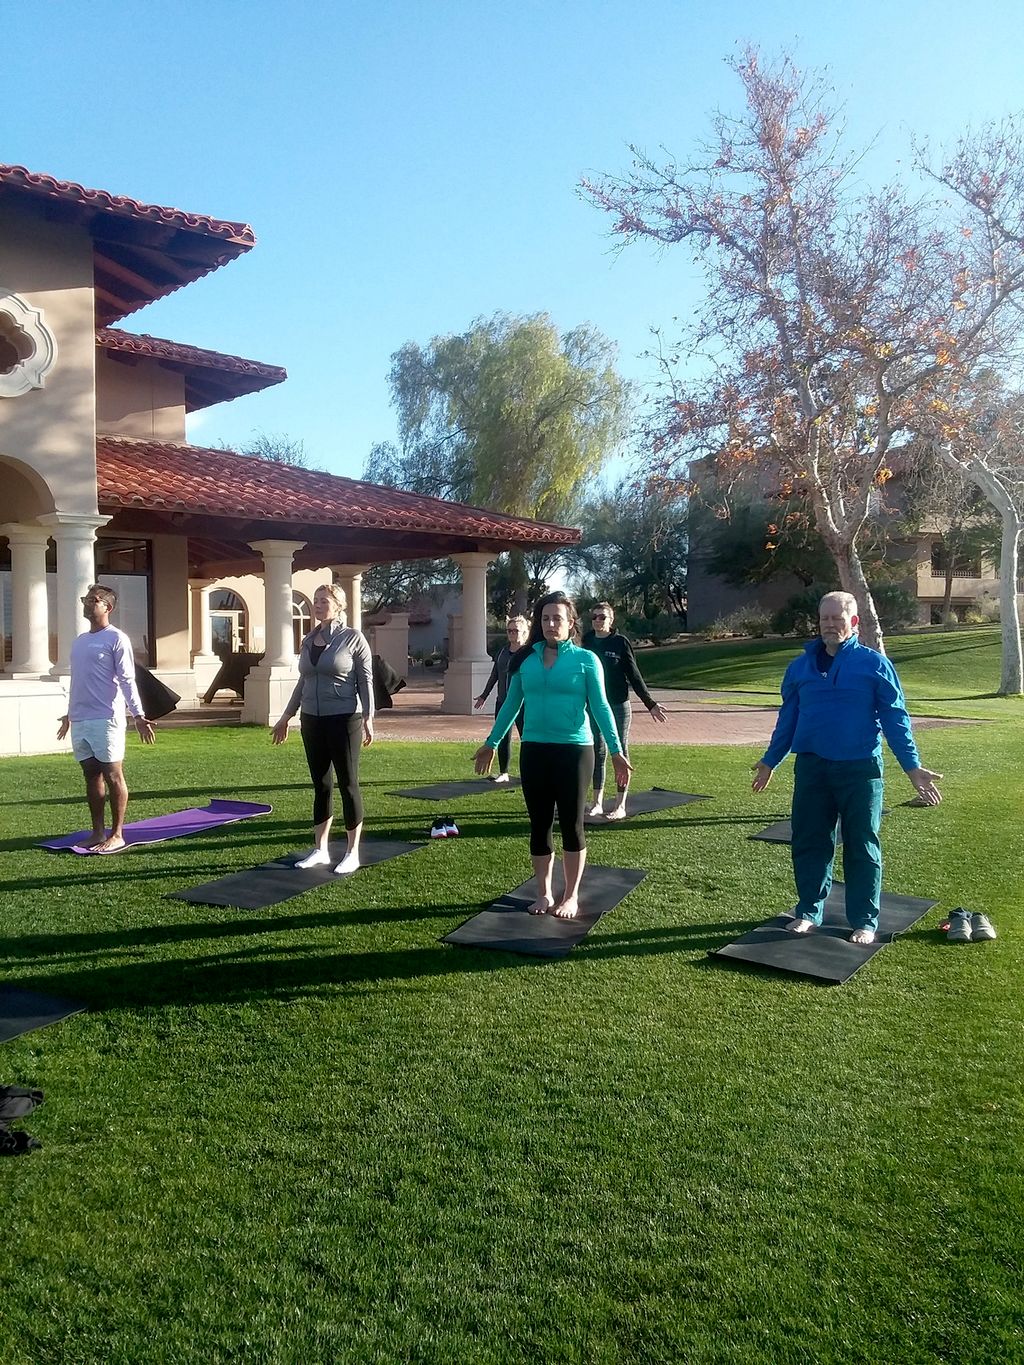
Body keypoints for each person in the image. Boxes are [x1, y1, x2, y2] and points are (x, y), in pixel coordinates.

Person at [752, 591, 943, 945]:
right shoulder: (800, 667)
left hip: (860, 769)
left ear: (853, 622)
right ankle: (809, 910)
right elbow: (788, 718)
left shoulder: (874, 664)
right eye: (824, 618)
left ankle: (864, 920)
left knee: (862, 844)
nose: (829, 624)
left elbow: (895, 718)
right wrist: (770, 760)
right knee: (810, 841)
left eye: (837, 618)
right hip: (812, 767)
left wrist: (912, 767)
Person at [473, 592, 632, 919]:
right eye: (545, 618)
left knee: (572, 825)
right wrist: (491, 742)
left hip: (575, 750)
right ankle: (544, 894)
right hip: (535, 749)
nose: (550, 624)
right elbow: (510, 704)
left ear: (571, 623)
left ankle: (570, 896)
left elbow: (601, 707)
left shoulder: (586, 660)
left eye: (557, 618)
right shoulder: (526, 660)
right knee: (539, 824)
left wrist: (616, 751)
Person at [271, 583, 374, 875]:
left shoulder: (353, 639)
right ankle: (320, 849)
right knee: (322, 785)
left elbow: (365, 681)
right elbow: (303, 681)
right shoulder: (308, 639)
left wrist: (369, 717)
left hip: (344, 719)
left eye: (323, 601)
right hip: (312, 720)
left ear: (338, 604)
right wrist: (286, 716)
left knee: (348, 784)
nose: (317, 605)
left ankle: (352, 852)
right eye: (315, 601)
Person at [56, 583, 156, 853]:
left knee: (113, 775)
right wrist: (70, 714)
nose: (87, 603)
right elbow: (79, 681)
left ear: (107, 607)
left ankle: (118, 833)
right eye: (86, 599)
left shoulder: (116, 638)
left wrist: (138, 714)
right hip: (82, 719)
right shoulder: (80, 641)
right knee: (90, 775)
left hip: (106, 719)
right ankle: (97, 831)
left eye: (94, 600)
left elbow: (127, 679)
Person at [582, 602, 669, 819]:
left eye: (602, 617)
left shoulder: (620, 642)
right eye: (594, 617)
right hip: (594, 705)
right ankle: (597, 802)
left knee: (619, 751)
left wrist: (650, 703)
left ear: (611, 620)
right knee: (597, 751)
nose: (597, 621)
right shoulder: (587, 641)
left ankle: (620, 804)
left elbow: (634, 675)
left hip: (618, 705)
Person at [473, 614, 529, 781]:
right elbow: (494, 675)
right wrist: (484, 696)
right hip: (503, 702)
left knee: (527, 739)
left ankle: (529, 772)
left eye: (516, 630)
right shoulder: (502, 652)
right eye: (509, 630)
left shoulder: (529, 654)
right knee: (502, 738)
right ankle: (504, 772)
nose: (512, 633)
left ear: (525, 632)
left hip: (524, 704)